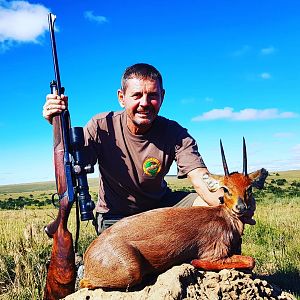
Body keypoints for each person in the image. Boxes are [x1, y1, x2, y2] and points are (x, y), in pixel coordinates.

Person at [43, 63, 228, 234]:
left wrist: (233, 203)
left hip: (161, 207)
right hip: (115, 215)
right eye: (137, 95)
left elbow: (201, 179)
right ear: (121, 98)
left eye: (153, 95)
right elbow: (73, 162)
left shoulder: (176, 133)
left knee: (215, 206)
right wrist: (57, 124)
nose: (145, 103)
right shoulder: (101, 126)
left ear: (162, 96)